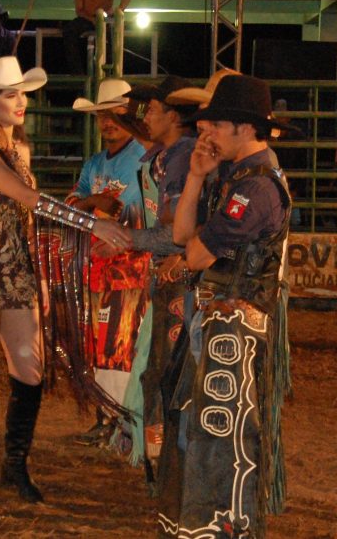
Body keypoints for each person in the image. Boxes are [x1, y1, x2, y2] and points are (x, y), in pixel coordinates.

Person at [0, 56, 127, 525]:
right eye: (11, 94)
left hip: (16, 270)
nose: (21, 101)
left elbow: (26, 214)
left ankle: (15, 464)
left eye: (22, 93)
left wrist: (38, 274)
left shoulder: (19, 150)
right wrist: (92, 225)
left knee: (30, 370)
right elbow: (29, 199)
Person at [158, 74, 294, 539]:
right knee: (206, 426)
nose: (207, 132)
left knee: (223, 431)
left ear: (245, 127)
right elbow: (182, 235)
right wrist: (197, 175)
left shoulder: (254, 189)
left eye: (216, 124)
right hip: (221, 323)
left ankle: (222, 526)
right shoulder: (239, 177)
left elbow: (194, 254)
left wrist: (189, 251)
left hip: (235, 330)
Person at [113, 76, 199, 474]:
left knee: (164, 372)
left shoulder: (179, 157)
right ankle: (159, 457)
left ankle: (162, 460)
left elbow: (176, 231)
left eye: (152, 109)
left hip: (178, 276)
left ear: (174, 116)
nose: (145, 117)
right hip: (172, 270)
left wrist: (127, 238)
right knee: (159, 369)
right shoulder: (167, 155)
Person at [68, 78, 151, 452]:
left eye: (115, 115)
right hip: (101, 270)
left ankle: (118, 421)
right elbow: (74, 204)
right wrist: (94, 202)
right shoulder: (97, 163)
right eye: (102, 115)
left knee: (118, 344)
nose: (107, 123)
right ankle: (110, 419)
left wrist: (92, 202)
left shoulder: (142, 159)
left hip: (129, 270)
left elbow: (133, 213)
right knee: (103, 345)